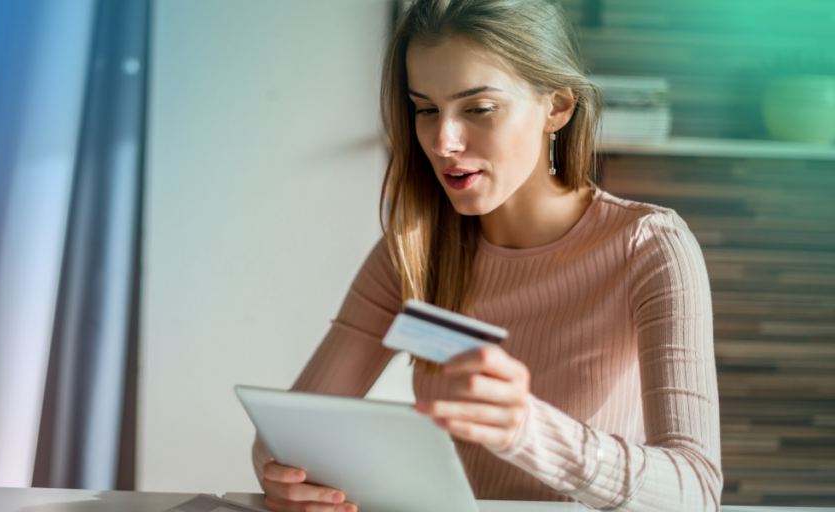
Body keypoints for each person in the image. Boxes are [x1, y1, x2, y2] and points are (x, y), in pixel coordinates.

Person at [251, 0, 722, 510]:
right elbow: (287, 434)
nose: (441, 141)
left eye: (478, 109)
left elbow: (694, 491)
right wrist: (288, 477)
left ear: (557, 107)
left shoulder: (649, 246)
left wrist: (526, 428)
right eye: (425, 109)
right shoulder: (410, 253)